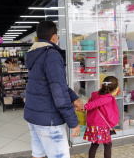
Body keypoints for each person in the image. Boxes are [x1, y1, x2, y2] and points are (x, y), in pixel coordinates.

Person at [24, 20, 83, 158]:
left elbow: (52, 84)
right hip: (49, 119)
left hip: (34, 116)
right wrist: (73, 123)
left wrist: (74, 98)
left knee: (38, 154)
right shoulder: (51, 54)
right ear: (54, 37)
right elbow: (59, 92)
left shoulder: (35, 53)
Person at [83, 76, 120, 158]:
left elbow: (92, 103)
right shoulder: (107, 98)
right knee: (108, 145)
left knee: (94, 145)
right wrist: (85, 106)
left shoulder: (95, 94)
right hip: (101, 125)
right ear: (114, 89)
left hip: (94, 124)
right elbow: (94, 104)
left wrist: (84, 106)